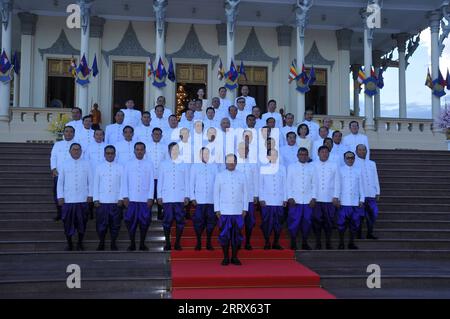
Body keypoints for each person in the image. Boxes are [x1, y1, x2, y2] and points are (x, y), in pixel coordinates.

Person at [57, 143, 93, 251]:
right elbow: (60, 183)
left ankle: (80, 243)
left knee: (82, 223)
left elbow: (91, 181)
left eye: (78, 150)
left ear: (81, 151)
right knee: (67, 223)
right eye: (74, 149)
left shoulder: (87, 164)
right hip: (68, 200)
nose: (76, 151)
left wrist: (90, 195)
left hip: (82, 199)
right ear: (70, 151)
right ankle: (69, 244)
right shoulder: (64, 164)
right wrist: (60, 197)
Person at [214, 154, 248, 266]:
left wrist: (245, 209)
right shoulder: (220, 176)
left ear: (236, 162)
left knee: (237, 236)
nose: (231, 163)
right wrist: (217, 209)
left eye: (233, 161)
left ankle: (234, 257)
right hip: (224, 211)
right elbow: (216, 193)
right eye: (228, 161)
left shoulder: (242, 175)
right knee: (224, 235)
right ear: (225, 162)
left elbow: (245, 193)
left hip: (238, 211)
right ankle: (225, 257)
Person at [120, 142, 154, 251]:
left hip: (144, 199)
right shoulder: (128, 164)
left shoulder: (149, 164)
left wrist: (150, 197)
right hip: (132, 198)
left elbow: (151, 182)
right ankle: (132, 243)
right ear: (134, 151)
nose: (139, 151)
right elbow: (124, 181)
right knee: (130, 222)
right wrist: (125, 196)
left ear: (144, 151)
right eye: (137, 149)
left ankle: (142, 243)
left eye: (141, 149)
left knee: (145, 222)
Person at [158, 143, 190, 251]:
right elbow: (160, 181)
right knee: (167, 221)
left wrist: (187, 196)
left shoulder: (184, 164)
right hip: (167, 198)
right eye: (172, 149)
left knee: (180, 221)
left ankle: (177, 242)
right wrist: (159, 196)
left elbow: (187, 181)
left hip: (179, 197)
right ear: (168, 151)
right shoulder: (163, 164)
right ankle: (167, 242)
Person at [93, 145, 124, 251]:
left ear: (115, 154)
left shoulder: (121, 167)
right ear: (104, 154)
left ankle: (113, 243)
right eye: (108, 153)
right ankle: (101, 242)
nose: (110, 155)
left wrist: (121, 198)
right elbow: (95, 184)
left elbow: (123, 184)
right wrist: (95, 199)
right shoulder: (99, 167)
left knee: (115, 224)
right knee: (101, 225)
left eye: (112, 153)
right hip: (102, 201)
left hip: (116, 201)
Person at [311, 146, 340, 250]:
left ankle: (328, 242)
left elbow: (337, 181)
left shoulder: (334, 165)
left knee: (329, 222)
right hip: (317, 198)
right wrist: (312, 197)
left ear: (329, 153)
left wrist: (336, 196)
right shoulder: (312, 164)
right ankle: (318, 242)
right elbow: (310, 183)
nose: (324, 154)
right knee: (316, 221)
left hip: (329, 199)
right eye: (322, 152)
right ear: (318, 153)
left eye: (326, 152)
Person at [190, 147, 219, 250]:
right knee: (198, 222)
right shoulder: (195, 166)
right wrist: (192, 197)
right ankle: (198, 241)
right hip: (199, 200)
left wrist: (217, 199)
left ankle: (208, 242)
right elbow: (191, 183)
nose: (205, 155)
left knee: (211, 222)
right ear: (200, 155)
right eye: (203, 153)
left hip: (211, 200)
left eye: (207, 153)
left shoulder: (214, 167)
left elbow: (217, 183)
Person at [287, 147, 315, 250]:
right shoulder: (291, 167)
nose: (303, 156)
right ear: (297, 156)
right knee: (294, 222)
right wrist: (290, 197)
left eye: (305, 154)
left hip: (308, 200)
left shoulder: (312, 167)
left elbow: (314, 184)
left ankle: (304, 242)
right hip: (296, 200)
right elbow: (288, 183)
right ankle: (293, 241)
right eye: (301, 154)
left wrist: (313, 198)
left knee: (307, 222)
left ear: (307, 156)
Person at [259, 149, 287, 250]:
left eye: (275, 155)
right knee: (266, 222)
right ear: (267, 157)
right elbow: (260, 185)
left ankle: (276, 242)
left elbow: (285, 184)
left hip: (279, 200)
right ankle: (267, 241)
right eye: (271, 155)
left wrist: (285, 198)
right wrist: (261, 198)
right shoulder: (263, 168)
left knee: (278, 223)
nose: (273, 157)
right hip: (267, 200)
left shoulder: (282, 168)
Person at [338, 151, 365, 250]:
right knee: (341, 224)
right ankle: (341, 242)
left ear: (354, 159)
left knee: (354, 224)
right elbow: (338, 185)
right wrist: (338, 198)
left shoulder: (358, 170)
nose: (350, 159)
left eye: (352, 158)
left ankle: (351, 243)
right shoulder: (340, 170)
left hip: (354, 202)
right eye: (348, 158)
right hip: (344, 202)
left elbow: (361, 186)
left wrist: (361, 199)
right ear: (344, 159)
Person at [236, 142, 259, 250]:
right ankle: (237, 241)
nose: (244, 151)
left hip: (249, 197)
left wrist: (256, 195)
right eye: (242, 149)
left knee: (249, 222)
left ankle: (248, 241)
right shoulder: (234, 162)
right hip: (236, 198)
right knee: (237, 221)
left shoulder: (253, 162)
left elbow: (256, 179)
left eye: (246, 149)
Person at [50, 126, 76, 221]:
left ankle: (70, 213)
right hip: (59, 174)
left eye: (71, 132)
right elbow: (53, 157)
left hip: (72, 174)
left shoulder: (78, 145)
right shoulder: (57, 144)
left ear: (74, 133)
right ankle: (60, 213)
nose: (68, 133)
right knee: (57, 194)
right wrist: (53, 168)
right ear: (63, 133)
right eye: (66, 131)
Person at [355, 144, 380, 240]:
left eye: (363, 150)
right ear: (356, 152)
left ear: (366, 151)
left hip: (371, 193)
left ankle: (370, 233)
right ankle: (358, 234)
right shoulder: (354, 163)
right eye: (360, 150)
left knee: (373, 214)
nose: (362, 151)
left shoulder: (372, 163)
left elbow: (375, 177)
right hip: (360, 195)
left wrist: (377, 191)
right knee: (360, 216)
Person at [145, 128, 167, 220]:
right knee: (149, 195)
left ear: (161, 136)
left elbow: (166, 161)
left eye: (159, 134)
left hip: (161, 176)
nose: (157, 136)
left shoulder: (165, 147)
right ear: (152, 135)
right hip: (149, 175)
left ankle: (160, 213)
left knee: (160, 195)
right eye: (155, 134)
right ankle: (147, 214)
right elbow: (144, 160)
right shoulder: (146, 146)